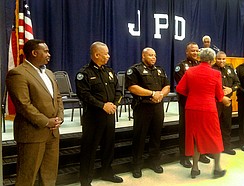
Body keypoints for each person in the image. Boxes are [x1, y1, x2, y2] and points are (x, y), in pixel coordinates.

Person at [6, 39, 64, 186]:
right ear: (34, 53)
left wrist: (59, 118)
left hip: (53, 132)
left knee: (49, 174)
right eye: (45, 51)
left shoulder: (49, 73)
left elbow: (58, 97)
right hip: (32, 134)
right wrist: (46, 121)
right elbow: (24, 105)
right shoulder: (18, 74)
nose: (49, 54)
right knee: (27, 176)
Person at [176, 48, 231, 179]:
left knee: (195, 138)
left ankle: (194, 168)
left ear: (200, 58)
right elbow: (219, 95)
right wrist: (225, 99)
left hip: (191, 108)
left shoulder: (190, 71)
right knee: (215, 137)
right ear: (212, 60)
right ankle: (217, 168)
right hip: (208, 109)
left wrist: (193, 94)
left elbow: (179, 89)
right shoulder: (216, 74)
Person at [75, 41, 123, 186]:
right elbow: (84, 95)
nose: (108, 56)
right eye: (106, 53)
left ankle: (107, 172)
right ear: (96, 54)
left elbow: (118, 90)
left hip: (109, 115)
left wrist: (114, 104)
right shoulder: (84, 73)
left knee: (109, 146)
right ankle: (85, 179)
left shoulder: (109, 71)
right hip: (93, 117)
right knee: (89, 148)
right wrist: (102, 106)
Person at [126, 47, 170, 178]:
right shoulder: (135, 70)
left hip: (157, 107)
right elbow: (132, 87)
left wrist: (161, 94)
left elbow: (167, 86)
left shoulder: (160, 70)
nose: (153, 58)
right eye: (150, 55)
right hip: (143, 107)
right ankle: (136, 165)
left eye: (155, 56)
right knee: (139, 137)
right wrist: (152, 93)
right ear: (143, 56)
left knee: (156, 135)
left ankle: (154, 162)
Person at [174, 42, 210, 168]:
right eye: (192, 51)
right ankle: (184, 157)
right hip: (187, 104)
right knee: (185, 130)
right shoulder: (181, 67)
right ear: (187, 52)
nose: (195, 53)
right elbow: (183, 86)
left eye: (196, 51)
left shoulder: (202, 65)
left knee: (200, 130)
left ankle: (201, 154)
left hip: (201, 105)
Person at [212, 51, 240, 155]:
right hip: (215, 102)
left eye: (223, 59)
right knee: (215, 127)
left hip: (227, 102)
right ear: (216, 59)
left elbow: (237, 83)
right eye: (219, 59)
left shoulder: (230, 69)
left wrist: (231, 89)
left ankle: (226, 146)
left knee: (227, 125)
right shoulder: (212, 69)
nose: (221, 61)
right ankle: (213, 149)